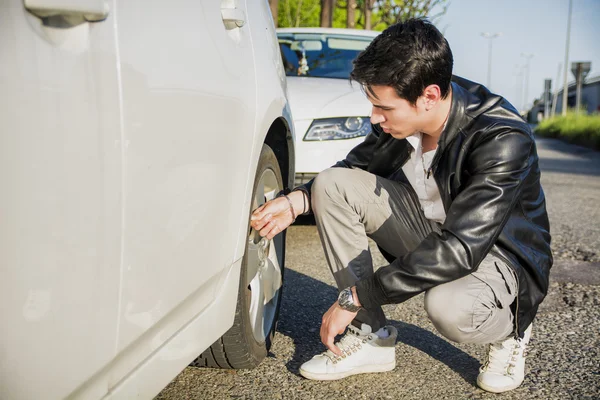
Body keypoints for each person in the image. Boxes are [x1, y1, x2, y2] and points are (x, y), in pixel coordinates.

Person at [250, 18, 552, 393]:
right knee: (330, 185)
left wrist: (355, 295)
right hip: (436, 230)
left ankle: (512, 329)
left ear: (429, 96)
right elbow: (354, 167)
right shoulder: (403, 121)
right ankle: (370, 335)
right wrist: (297, 201)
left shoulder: (501, 138)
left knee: (449, 308)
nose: (375, 117)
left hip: (495, 254)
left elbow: (460, 248)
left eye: (384, 108)